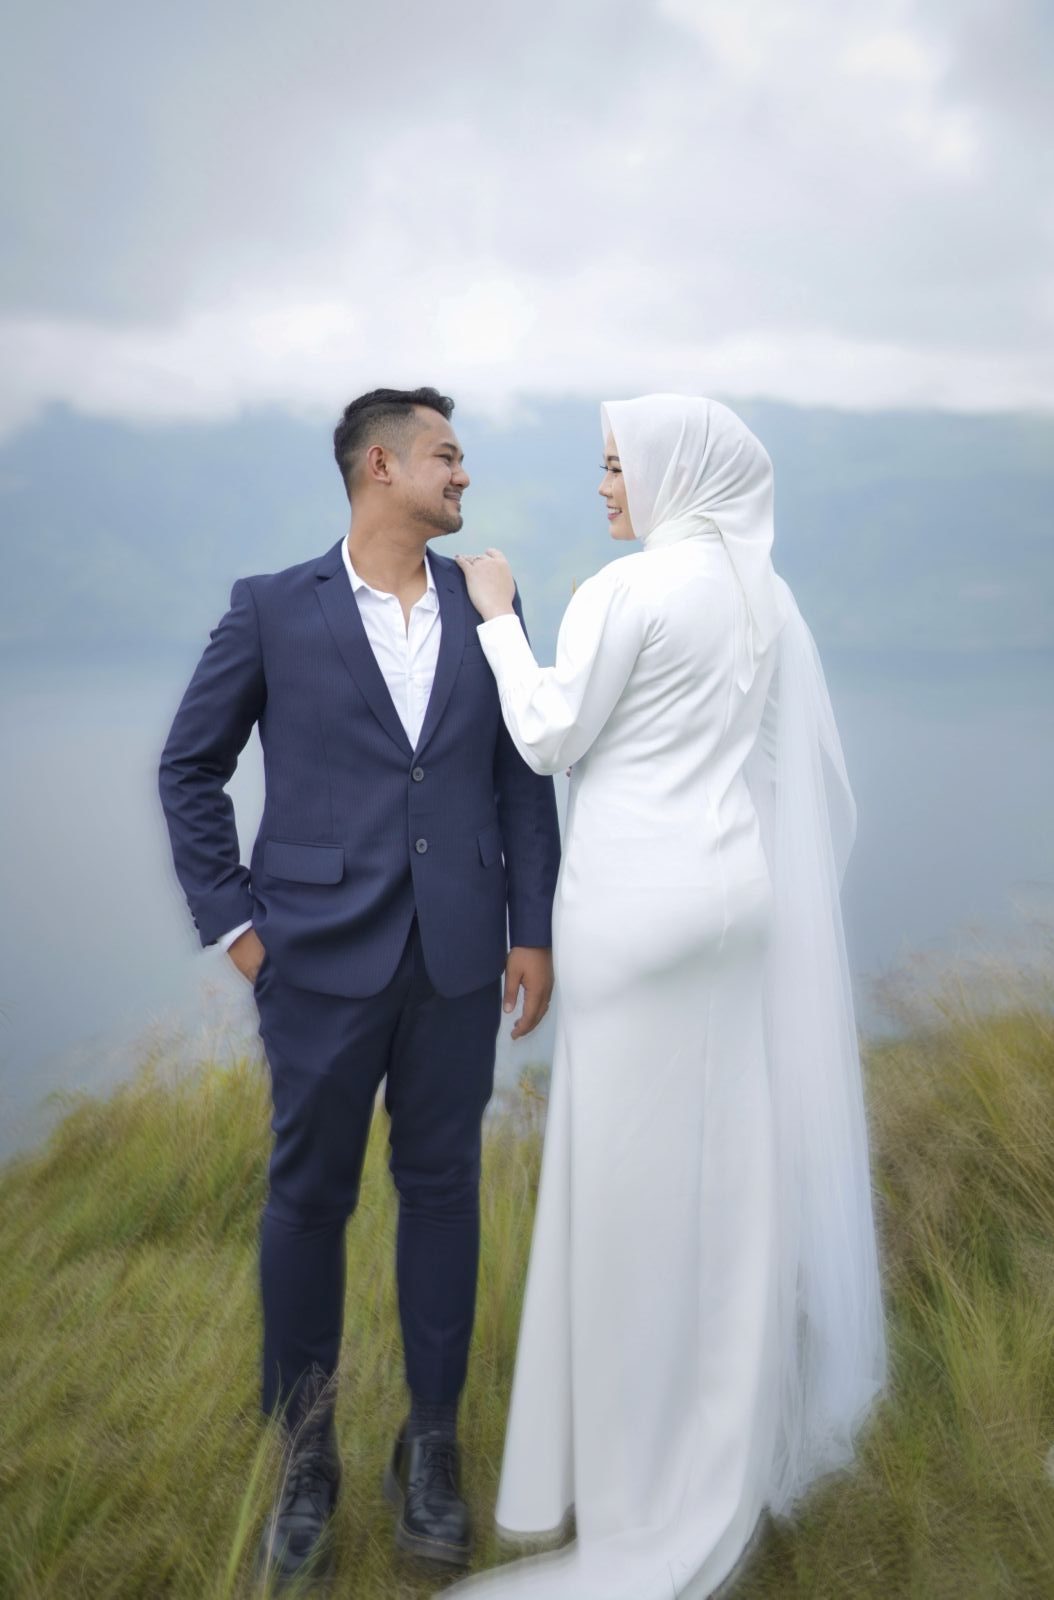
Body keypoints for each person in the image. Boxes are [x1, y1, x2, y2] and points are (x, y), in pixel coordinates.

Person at [447, 394, 887, 1599]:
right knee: (725, 1191)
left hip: (632, 916)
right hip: (733, 909)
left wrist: (499, 622)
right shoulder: (763, 596)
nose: (605, 487)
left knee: (624, 1202)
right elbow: (774, 765)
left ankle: (633, 1487)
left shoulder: (627, 589)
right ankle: (717, 1460)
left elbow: (549, 735)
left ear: (671, 470)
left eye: (615, 465)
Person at [157, 386, 561, 1586]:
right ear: (380, 465)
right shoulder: (273, 608)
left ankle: (428, 1449)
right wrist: (239, 927)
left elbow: (521, 780)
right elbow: (190, 767)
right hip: (313, 960)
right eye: (447, 454)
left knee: (442, 1192)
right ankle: (306, 1459)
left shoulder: (489, 604)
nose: (463, 474)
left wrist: (531, 930)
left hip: (458, 958)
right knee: (307, 1200)